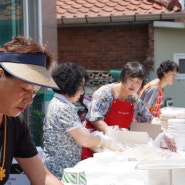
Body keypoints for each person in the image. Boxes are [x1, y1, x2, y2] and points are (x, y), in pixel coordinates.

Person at [0, 36, 64, 185]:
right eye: (25, 89)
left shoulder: (15, 122)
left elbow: (42, 177)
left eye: (35, 92)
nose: (30, 100)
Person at [42, 62, 124, 179]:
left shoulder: (59, 103)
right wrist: (103, 140)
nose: (82, 92)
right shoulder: (63, 107)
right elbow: (84, 140)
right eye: (80, 87)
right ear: (70, 85)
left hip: (58, 169)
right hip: (60, 172)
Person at [82, 61, 153, 159]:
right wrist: (113, 138)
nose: (134, 85)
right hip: (96, 144)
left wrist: (163, 135)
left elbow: (147, 118)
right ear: (123, 77)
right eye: (131, 79)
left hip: (118, 146)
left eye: (138, 82)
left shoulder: (133, 98)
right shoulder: (105, 93)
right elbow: (96, 119)